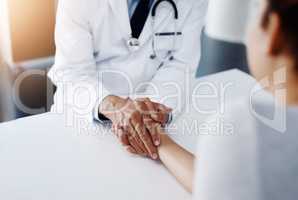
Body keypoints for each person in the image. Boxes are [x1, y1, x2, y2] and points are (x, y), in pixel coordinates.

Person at [148, 0, 298, 197]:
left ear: (273, 29)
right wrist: (160, 140)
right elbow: (223, 182)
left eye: (255, 11)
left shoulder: (247, 128)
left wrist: (150, 130)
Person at [48, 0, 208, 160]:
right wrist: (114, 106)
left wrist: (149, 113)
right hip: (85, 112)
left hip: (150, 117)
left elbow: (179, 65)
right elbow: (72, 71)